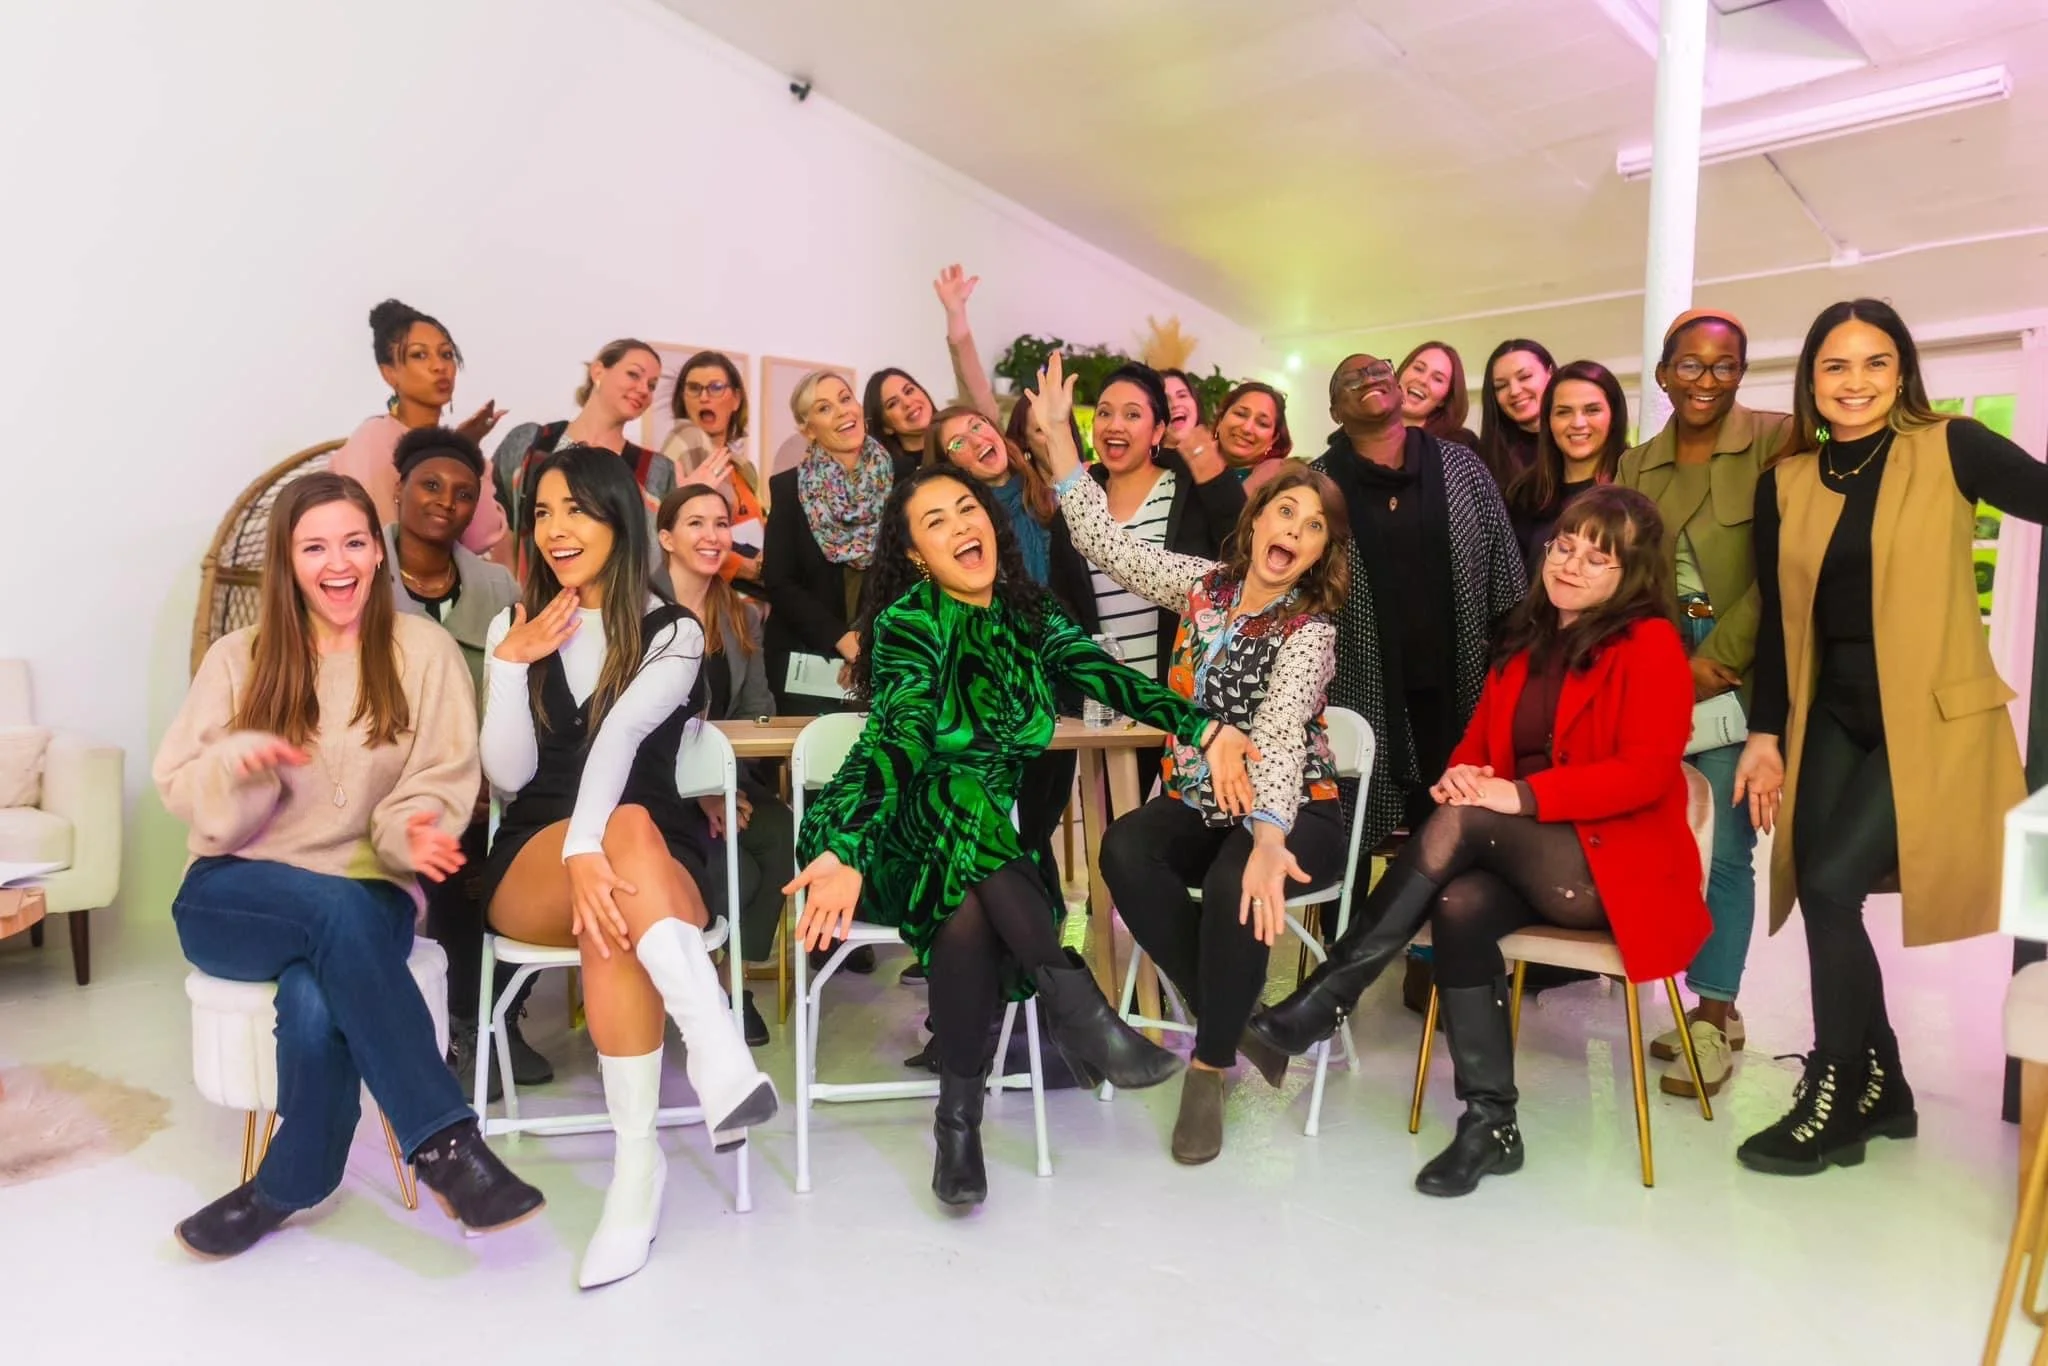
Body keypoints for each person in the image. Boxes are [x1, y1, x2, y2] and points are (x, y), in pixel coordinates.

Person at [784, 461, 1260, 1208]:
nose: (960, 526)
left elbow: (1115, 680)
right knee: (950, 778)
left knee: (968, 908)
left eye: (966, 509)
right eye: (934, 522)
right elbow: (904, 738)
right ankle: (1072, 999)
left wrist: (1204, 725)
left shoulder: (1031, 616)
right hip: (887, 829)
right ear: (915, 555)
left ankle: (959, 1124)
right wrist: (842, 846)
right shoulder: (911, 624)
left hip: (980, 860)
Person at [1250, 486, 1707, 1197]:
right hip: (1522, 852)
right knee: (1459, 903)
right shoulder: (1527, 637)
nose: (1572, 565)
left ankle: (1327, 996)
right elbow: (1482, 739)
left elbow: (1644, 775)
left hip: (1606, 870)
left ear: (1632, 575)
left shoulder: (1648, 645)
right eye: (1565, 545)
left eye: (1599, 557)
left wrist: (1515, 796)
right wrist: (1464, 774)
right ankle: (1491, 1123)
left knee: (1463, 828)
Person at [155, 472, 544, 1258]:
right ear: (289, 563)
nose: (338, 562)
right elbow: (190, 794)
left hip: (369, 893)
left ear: (379, 553)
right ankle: (444, 1146)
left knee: (312, 991)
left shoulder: (422, 652)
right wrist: (236, 764)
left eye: (354, 542)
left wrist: (411, 838)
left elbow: (433, 782)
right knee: (328, 914)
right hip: (236, 895)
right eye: (315, 546)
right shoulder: (241, 658)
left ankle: (284, 1186)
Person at [1733, 299, 2048, 1176]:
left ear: (1902, 372)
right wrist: (1766, 731)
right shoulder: (1786, 482)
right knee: (1825, 893)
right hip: (1832, 710)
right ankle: (1887, 1088)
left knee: (1831, 883)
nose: (1857, 382)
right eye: (1836, 366)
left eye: (1876, 363)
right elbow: (1775, 624)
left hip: (1932, 713)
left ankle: (1838, 1091)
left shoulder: (1951, 447)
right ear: (1812, 381)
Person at [1036, 354, 1350, 1164]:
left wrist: (1272, 838)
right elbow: (1106, 544)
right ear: (1258, 523)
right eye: (1287, 513)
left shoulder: (1310, 633)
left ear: (1320, 554)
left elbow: (1280, 735)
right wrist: (1064, 456)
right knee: (1123, 847)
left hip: (1294, 808)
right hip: (1201, 795)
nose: (1295, 533)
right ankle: (1243, 1021)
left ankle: (1209, 1066)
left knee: (1233, 884)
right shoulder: (1203, 586)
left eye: (1314, 528)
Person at [479, 445, 776, 1288]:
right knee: (617, 858)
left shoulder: (673, 630)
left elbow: (616, 741)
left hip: (645, 854)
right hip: (536, 854)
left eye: (575, 508)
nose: (556, 528)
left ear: (619, 516)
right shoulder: (513, 626)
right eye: (541, 512)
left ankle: (636, 1172)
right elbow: (504, 776)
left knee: (625, 850)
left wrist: (591, 848)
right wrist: (508, 668)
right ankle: (715, 1050)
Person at [1618, 309, 1794, 1098]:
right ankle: (1697, 996)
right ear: (1663, 375)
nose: (1707, 381)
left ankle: (1714, 1013)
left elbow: (1783, 568)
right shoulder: (1633, 463)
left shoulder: (1774, 439)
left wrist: (1718, 658)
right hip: (1656, 675)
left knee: (1726, 846)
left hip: (1738, 677)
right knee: (1662, 840)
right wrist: (1657, 670)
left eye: (1725, 366)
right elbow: (1622, 577)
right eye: (1690, 365)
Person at [377, 426, 548, 1098]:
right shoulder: (359, 573)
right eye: (431, 486)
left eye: (464, 493)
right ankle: (465, 1023)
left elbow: (525, 694)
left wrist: (483, 780)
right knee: (445, 848)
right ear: (399, 491)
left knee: (536, 845)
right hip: (387, 788)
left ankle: (492, 1015)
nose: (447, 501)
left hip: (483, 786)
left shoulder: (500, 586)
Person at [1312, 353, 1526, 854]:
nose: (1368, 378)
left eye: (1377, 369)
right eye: (1350, 378)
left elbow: (1508, 581)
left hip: (1459, 691)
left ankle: (1432, 930)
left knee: (1453, 829)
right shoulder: (1316, 485)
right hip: (1357, 691)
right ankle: (1349, 932)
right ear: (1335, 411)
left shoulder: (1462, 467)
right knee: (1351, 835)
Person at [928, 405, 1099, 907]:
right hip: (995, 691)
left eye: (977, 425)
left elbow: (1080, 601)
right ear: (951, 468)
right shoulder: (961, 529)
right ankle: (1027, 956)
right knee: (1010, 824)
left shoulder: (1056, 497)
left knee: (1037, 819)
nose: (975, 438)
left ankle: (1021, 954)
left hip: (1061, 687)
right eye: (957, 441)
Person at [656, 482, 792, 1045]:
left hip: (726, 776)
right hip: (652, 788)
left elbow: (758, 711)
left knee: (781, 830)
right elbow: (631, 731)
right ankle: (711, 988)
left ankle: (728, 985)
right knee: (733, 868)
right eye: (695, 523)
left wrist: (724, 784)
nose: (712, 535)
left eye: (720, 523)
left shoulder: (741, 616)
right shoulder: (636, 610)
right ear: (665, 537)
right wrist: (700, 794)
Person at [761, 370, 918, 718]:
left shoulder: (905, 477)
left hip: (888, 655)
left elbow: (913, 571)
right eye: (824, 408)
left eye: (845, 399)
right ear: (807, 428)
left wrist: (869, 642)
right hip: (807, 661)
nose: (843, 412)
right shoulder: (788, 489)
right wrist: (842, 640)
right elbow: (779, 581)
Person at [1082, 362, 1248, 689]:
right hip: (1104, 710)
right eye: (1104, 413)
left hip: (1179, 706)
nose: (1115, 425)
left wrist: (1213, 475)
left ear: (1158, 430)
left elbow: (1242, 556)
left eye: (1132, 415)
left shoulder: (1189, 491)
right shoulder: (1081, 502)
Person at [331, 299, 510, 561]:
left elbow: (481, 539)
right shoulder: (373, 441)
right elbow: (378, 542)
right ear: (389, 374)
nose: (439, 366)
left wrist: (465, 451)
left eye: (446, 354)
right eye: (419, 355)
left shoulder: (451, 449)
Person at [490, 340, 674, 557]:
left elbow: (654, 555)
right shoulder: (529, 443)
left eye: (652, 385)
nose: (644, 389)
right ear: (598, 372)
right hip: (524, 587)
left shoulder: (655, 470)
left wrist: (693, 504)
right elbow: (495, 521)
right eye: (634, 374)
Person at [1506, 360, 1630, 570]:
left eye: (1592, 410)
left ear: (1614, 417)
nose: (1578, 423)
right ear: (1549, 421)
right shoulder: (1524, 493)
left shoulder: (1635, 485)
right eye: (1564, 412)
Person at [660, 350, 765, 581]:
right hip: (710, 599)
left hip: (752, 605)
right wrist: (745, 566)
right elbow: (673, 532)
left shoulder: (743, 468)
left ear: (736, 399)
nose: (704, 397)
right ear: (683, 398)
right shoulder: (682, 444)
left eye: (716, 387)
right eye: (694, 388)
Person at [1475, 339, 1556, 488]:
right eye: (1501, 386)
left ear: (1550, 374)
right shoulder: (1487, 459)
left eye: (1525, 377)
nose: (1514, 391)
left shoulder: (1575, 439)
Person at [1208, 381, 1294, 491]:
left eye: (1262, 423)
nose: (1246, 428)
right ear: (1220, 420)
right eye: (1240, 414)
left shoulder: (1277, 486)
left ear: (1273, 439)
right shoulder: (1185, 460)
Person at [1396, 340, 1480, 450]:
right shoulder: (1368, 431)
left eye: (1438, 379)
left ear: (1444, 400)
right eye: (1418, 369)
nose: (1423, 380)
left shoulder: (1461, 444)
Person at [863, 367, 938, 465]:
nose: (907, 402)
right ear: (886, 427)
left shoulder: (956, 439)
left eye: (909, 391)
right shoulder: (893, 475)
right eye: (893, 404)